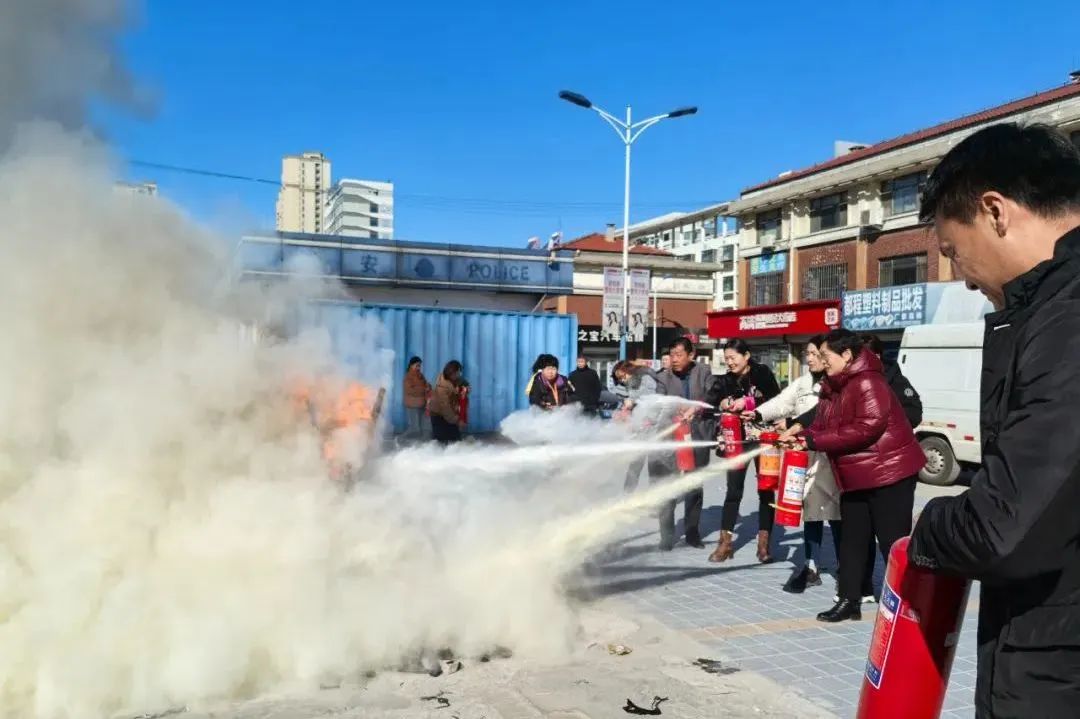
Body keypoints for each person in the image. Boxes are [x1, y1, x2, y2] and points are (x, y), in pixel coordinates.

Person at [904, 124, 1080, 718]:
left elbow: (1003, 530)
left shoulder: (1069, 319)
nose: (960, 276)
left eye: (953, 250)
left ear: (996, 211)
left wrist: (929, 526)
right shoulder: (1050, 310)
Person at [782, 329, 925, 623]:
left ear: (846, 356)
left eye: (826, 356)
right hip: (856, 474)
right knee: (852, 540)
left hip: (890, 472)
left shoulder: (869, 381)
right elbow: (821, 423)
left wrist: (812, 441)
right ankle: (849, 601)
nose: (822, 361)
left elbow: (868, 427)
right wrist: (800, 436)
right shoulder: (832, 386)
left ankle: (911, 603)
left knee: (892, 542)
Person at [748, 336, 841, 593]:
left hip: (829, 460)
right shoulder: (802, 384)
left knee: (836, 515)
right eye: (808, 354)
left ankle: (845, 566)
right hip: (804, 459)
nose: (809, 358)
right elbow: (781, 402)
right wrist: (757, 413)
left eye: (813, 353)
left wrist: (792, 426)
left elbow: (820, 417)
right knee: (811, 513)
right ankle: (811, 566)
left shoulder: (836, 385)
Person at [707, 338, 781, 563]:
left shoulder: (762, 373)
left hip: (764, 439)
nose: (729, 362)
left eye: (733, 358)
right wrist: (721, 404)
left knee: (766, 488)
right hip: (737, 440)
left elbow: (775, 398)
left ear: (746, 355)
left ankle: (763, 544)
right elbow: (712, 401)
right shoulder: (725, 379)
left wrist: (747, 403)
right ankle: (725, 543)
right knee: (733, 490)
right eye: (726, 359)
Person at [652, 338, 717, 550]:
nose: (674, 359)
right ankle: (666, 536)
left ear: (691, 355)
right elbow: (659, 403)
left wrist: (694, 409)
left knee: (694, 487)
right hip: (672, 438)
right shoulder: (663, 378)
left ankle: (692, 532)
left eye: (679, 355)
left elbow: (711, 395)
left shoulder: (704, 371)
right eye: (672, 355)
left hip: (698, 436)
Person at [612, 359, 661, 493]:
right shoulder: (626, 386)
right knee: (635, 465)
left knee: (654, 466)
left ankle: (656, 495)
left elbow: (650, 394)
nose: (622, 380)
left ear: (629, 370)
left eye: (623, 376)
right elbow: (624, 403)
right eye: (620, 379)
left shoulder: (645, 378)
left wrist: (632, 401)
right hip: (638, 431)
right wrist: (620, 413)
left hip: (653, 428)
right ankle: (628, 494)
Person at [861, 334, 922, 428]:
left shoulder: (895, 380)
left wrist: (883, 422)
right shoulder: (851, 380)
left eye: (862, 358)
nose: (857, 363)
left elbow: (914, 414)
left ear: (877, 356)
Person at [429, 360, 466, 444]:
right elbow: (445, 408)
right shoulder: (443, 387)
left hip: (448, 415)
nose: (460, 374)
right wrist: (457, 420)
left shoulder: (453, 380)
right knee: (441, 442)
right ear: (452, 373)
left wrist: (465, 389)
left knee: (455, 440)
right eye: (458, 372)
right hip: (438, 416)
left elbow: (462, 386)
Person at [402, 356, 431, 440]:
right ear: (411, 365)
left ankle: (421, 445)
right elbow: (409, 391)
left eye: (419, 365)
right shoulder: (408, 377)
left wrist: (429, 387)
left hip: (422, 404)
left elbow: (426, 384)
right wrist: (423, 389)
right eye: (417, 365)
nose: (419, 367)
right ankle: (400, 439)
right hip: (412, 405)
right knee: (414, 428)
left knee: (424, 427)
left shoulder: (420, 375)